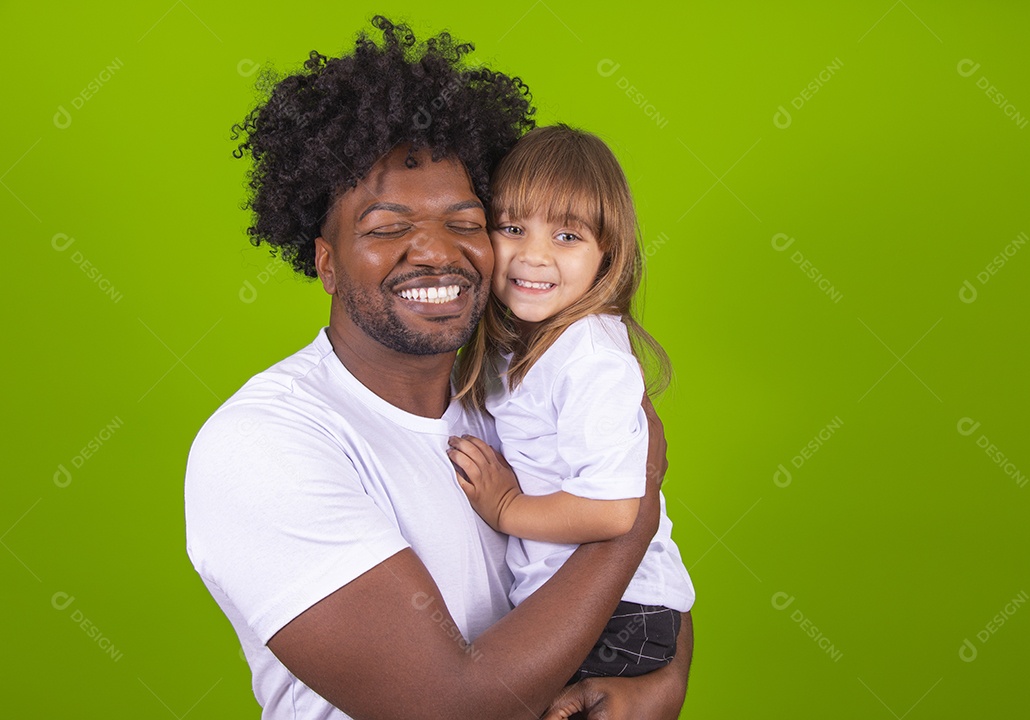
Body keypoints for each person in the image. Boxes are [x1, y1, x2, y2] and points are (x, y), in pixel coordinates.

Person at [184, 16, 692, 720]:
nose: (435, 252)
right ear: (325, 262)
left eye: (466, 222)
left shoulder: (516, 387)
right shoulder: (265, 444)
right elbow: (448, 707)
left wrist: (660, 684)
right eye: (388, 227)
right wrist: (634, 508)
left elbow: (645, 592)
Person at [449, 125, 694, 682]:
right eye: (512, 228)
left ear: (608, 254)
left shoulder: (590, 357)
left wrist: (505, 505)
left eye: (567, 237)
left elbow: (612, 511)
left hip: (621, 613)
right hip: (575, 603)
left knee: (472, 693)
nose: (533, 257)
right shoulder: (521, 344)